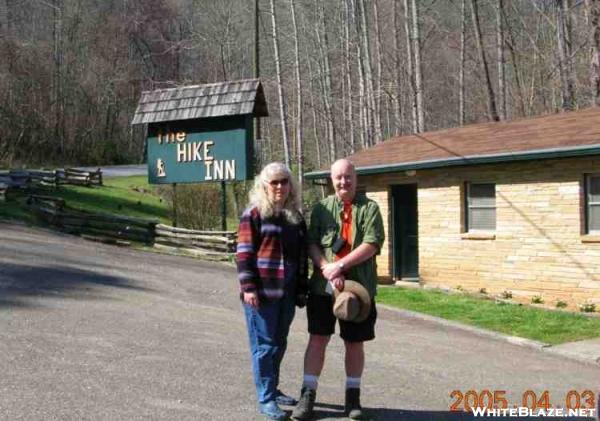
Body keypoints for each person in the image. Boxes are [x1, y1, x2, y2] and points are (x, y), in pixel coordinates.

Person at [292, 159, 385, 420]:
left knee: (354, 343)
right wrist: (327, 269)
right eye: (338, 178)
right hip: (323, 288)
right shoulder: (322, 208)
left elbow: (372, 243)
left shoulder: (370, 208)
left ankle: (352, 397)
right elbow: (312, 243)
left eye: (348, 177)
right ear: (332, 180)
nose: (343, 182)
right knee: (317, 339)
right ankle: (307, 394)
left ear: (356, 179)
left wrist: (341, 265)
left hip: (359, 292)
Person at [236, 162, 308, 421]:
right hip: (261, 294)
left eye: (284, 182)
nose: (280, 187)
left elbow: (301, 258)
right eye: (274, 182)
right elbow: (244, 254)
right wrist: (248, 288)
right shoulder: (254, 214)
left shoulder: (295, 218)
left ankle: (273, 390)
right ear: (264, 186)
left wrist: (301, 289)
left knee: (279, 343)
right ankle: (266, 399)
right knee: (264, 346)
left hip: (287, 293)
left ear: (291, 186)